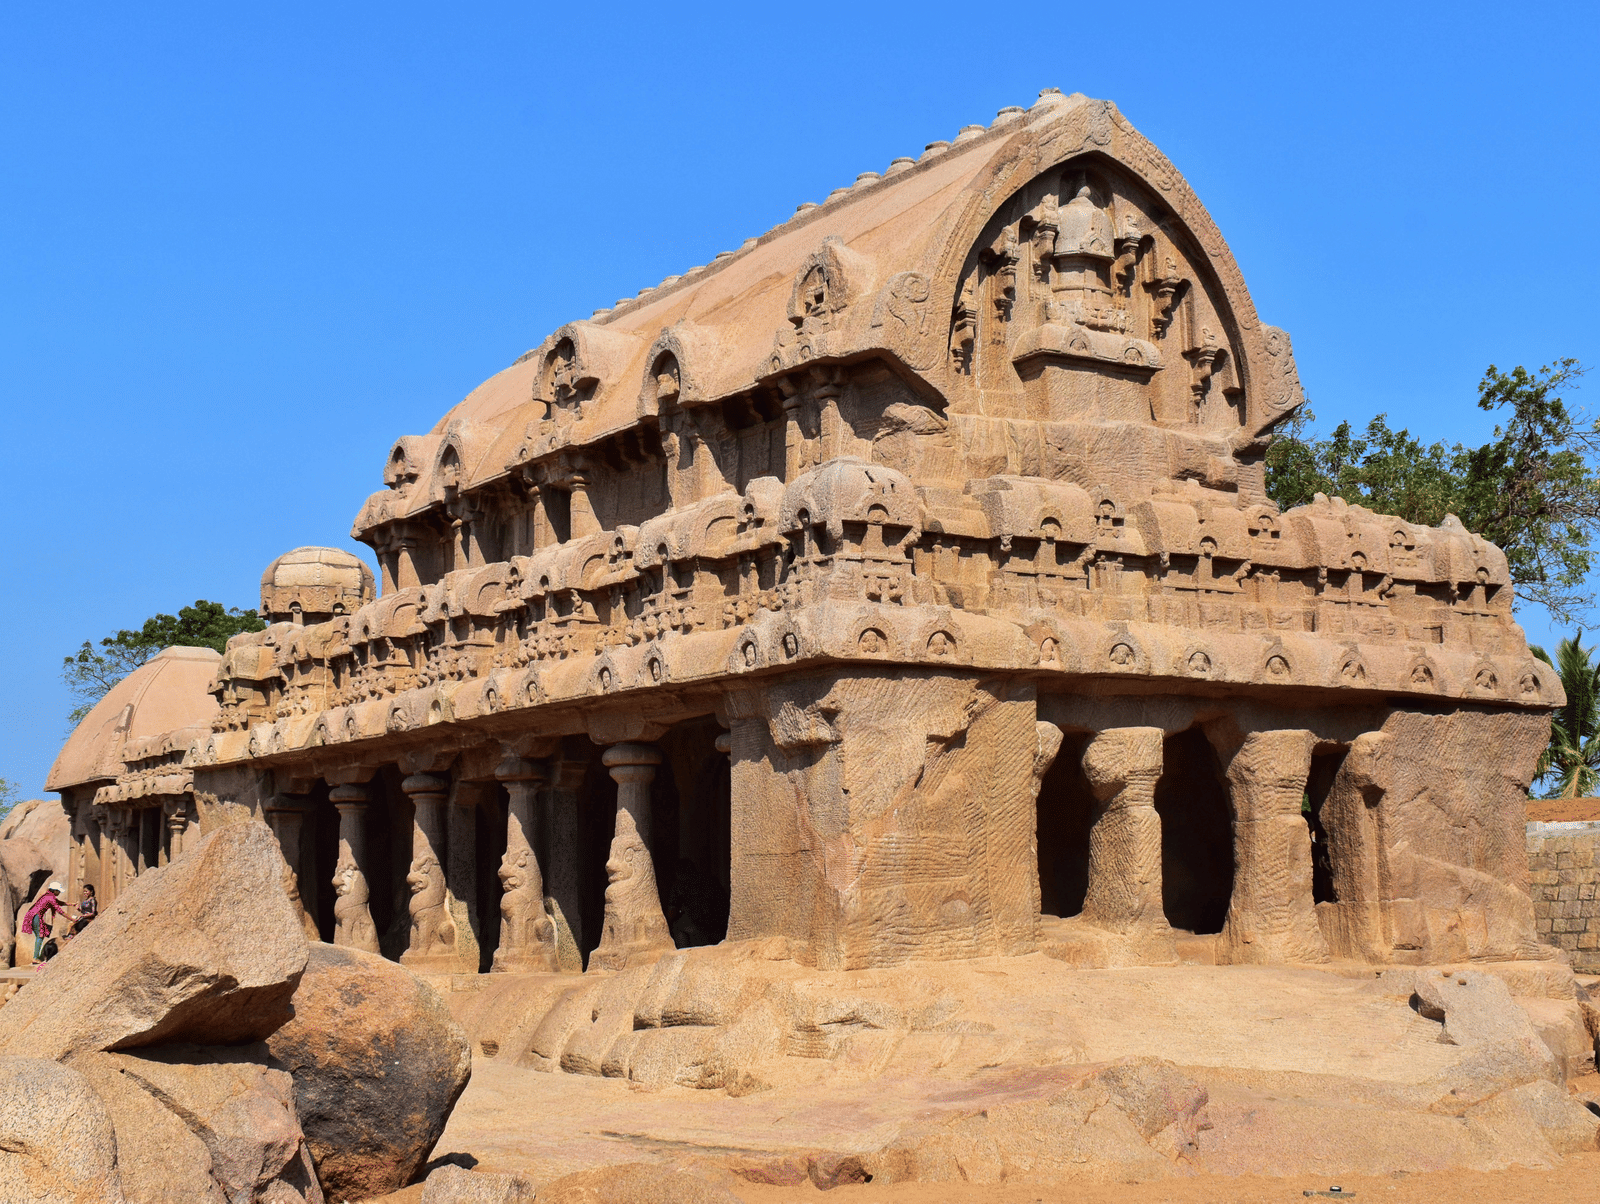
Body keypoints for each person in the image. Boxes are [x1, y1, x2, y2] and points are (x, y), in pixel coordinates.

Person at [20, 882, 68, 963]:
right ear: (55, 891)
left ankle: (37, 956)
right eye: (58, 891)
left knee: (39, 937)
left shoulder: (48, 895)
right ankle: (35, 957)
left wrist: (71, 904)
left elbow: (59, 903)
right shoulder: (50, 898)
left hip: (33, 914)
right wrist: (72, 919)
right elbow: (60, 911)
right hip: (36, 915)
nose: (59, 893)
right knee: (40, 936)